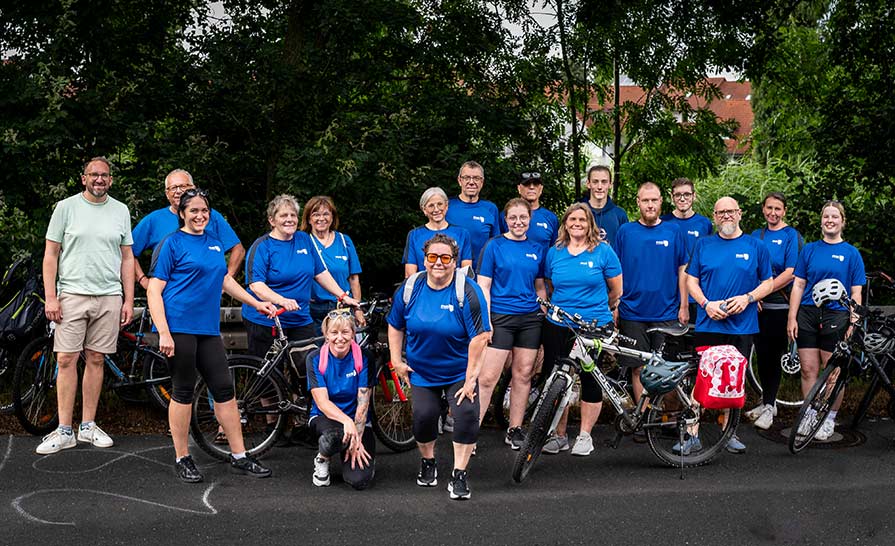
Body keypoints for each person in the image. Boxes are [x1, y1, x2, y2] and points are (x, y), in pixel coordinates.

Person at [147, 188, 276, 482]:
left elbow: (224, 281)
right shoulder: (172, 244)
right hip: (179, 328)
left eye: (204, 210)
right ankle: (183, 457)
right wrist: (164, 332)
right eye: (193, 210)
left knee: (224, 390)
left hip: (207, 329)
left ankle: (240, 455)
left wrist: (257, 303)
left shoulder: (215, 244)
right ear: (182, 213)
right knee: (182, 392)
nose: (200, 216)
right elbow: (154, 290)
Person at [37, 156, 135, 455]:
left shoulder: (120, 210)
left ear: (111, 180)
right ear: (83, 178)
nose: (99, 180)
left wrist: (128, 299)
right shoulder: (65, 208)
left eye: (104, 175)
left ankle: (88, 426)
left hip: (108, 296)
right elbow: (51, 254)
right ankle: (64, 429)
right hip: (72, 294)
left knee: (96, 359)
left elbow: (128, 257)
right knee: (66, 359)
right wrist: (51, 296)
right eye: (93, 175)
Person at [387, 234, 491, 500]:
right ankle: (428, 461)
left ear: (454, 261)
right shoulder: (410, 287)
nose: (438, 263)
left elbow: (480, 338)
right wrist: (397, 361)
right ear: (425, 259)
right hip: (422, 371)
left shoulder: (468, 291)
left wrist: (470, 380)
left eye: (445, 258)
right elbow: (395, 325)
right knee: (423, 417)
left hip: (459, 370)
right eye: (433, 257)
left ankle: (459, 474)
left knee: (467, 413)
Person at [685, 196, 774, 454]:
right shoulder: (703, 245)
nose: (726, 216)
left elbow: (767, 282)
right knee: (702, 378)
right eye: (721, 212)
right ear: (714, 216)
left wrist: (748, 298)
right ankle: (692, 433)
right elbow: (691, 281)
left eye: (731, 211)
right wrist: (705, 304)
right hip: (708, 323)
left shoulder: (756, 247)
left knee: (733, 382)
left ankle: (729, 433)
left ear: (740, 214)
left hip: (742, 327)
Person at [541, 203, 623, 457]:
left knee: (590, 378)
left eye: (582, 220)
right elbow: (550, 285)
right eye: (572, 219)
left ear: (590, 224)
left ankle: (585, 436)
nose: (577, 223)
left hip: (593, 325)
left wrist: (598, 311)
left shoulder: (603, 251)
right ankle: (559, 435)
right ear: (565, 223)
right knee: (557, 379)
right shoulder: (554, 253)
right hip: (559, 324)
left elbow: (617, 291)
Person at [243, 195, 360, 360]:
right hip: (267, 320)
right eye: (283, 216)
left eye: (292, 215)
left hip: (300, 318)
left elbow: (320, 273)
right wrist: (282, 300)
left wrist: (342, 296)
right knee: (269, 375)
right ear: (272, 220)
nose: (289, 219)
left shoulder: (304, 239)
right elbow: (256, 285)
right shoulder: (262, 246)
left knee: (308, 367)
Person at [787, 200, 865, 441]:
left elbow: (856, 291)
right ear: (821, 221)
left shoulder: (851, 253)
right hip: (809, 313)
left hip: (837, 315)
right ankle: (810, 415)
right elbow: (799, 284)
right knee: (809, 369)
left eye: (835, 217)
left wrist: (853, 321)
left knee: (833, 372)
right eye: (826, 217)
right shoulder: (809, 250)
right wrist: (792, 317)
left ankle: (828, 417)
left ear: (842, 221)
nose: (830, 220)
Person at [476, 198, 547, 450]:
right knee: (487, 378)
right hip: (500, 318)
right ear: (506, 220)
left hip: (529, 319)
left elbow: (539, 287)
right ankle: (471, 433)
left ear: (530, 219)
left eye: (523, 217)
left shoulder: (537, 248)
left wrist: (544, 312)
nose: (518, 222)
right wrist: (486, 321)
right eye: (513, 217)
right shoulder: (494, 246)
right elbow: (483, 286)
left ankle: (514, 429)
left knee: (523, 374)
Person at [615, 182, 689, 405]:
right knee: (638, 369)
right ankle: (643, 418)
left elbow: (683, 268)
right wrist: (615, 304)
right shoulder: (626, 231)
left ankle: (665, 419)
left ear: (661, 201)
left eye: (654, 200)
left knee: (666, 370)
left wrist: (684, 305)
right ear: (638, 202)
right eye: (645, 200)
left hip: (666, 311)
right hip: (632, 312)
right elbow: (615, 271)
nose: (650, 205)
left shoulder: (673, 231)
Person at [132, 169, 244, 292]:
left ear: (194, 188)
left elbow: (238, 249)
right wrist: (143, 280)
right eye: (173, 188)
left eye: (183, 186)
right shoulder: (153, 220)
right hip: (168, 296)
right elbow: (128, 253)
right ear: (166, 193)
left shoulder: (209, 215)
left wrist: (225, 283)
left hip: (205, 295)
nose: (178, 191)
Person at [746, 192, 803, 430]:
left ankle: (770, 407)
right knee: (762, 357)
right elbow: (747, 267)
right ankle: (766, 401)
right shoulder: (756, 235)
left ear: (785, 211)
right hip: (758, 307)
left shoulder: (792, 236)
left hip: (780, 306)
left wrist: (763, 289)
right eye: (769, 208)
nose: (773, 213)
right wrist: (753, 293)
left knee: (774, 357)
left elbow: (791, 271)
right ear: (763, 210)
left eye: (777, 209)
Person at [306, 309, 375, 490]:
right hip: (325, 418)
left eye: (345, 332)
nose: (340, 338)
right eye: (334, 333)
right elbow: (322, 402)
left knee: (359, 480)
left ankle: (353, 452)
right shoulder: (315, 358)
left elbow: (363, 402)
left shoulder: (364, 357)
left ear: (353, 333)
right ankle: (322, 458)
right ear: (326, 335)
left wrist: (357, 439)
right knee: (332, 437)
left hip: (358, 422)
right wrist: (346, 421)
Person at [299, 196, 365, 335]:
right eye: (316, 214)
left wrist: (358, 309)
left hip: (342, 308)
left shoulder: (344, 240)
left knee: (341, 349)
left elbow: (354, 279)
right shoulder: (303, 242)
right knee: (315, 352)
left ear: (332, 217)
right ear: (308, 219)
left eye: (326, 214)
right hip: (313, 309)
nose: (321, 218)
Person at [659, 177, 713, 319]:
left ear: (694, 196)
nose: (682, 199)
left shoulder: (704, 223)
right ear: (672, 197)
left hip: (697, 293)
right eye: (678, 195)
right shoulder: (663, 222)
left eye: (687, 194)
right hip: (669, 292)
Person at [402, 187, 473, 277]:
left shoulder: (462, 234)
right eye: (431, 206)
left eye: (440, 204)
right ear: (424, 210)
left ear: (446, 206)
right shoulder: (414, 235)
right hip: (423, 288)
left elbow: (466, 272)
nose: (436, 209)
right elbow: (410, 274)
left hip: (454, 288)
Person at [445, 161, 504, 268]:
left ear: (482, 182)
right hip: (450, 272)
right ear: (459, 180)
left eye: (476, 178)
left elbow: (496, 245)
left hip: (481, 273)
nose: (471, 182)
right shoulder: (446, 206)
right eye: (467, 178)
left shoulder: (490, 209)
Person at [581, 165, 628, 249]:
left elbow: (625, 247)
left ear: (610, 184)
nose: (599, 187)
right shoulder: (578, 213)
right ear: (588, 184)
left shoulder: (620, 215)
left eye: (604, 182)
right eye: (595, 182)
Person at [517, 171, 559, 251]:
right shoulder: (507, 216)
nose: (531, 187)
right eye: (527, 184)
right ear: (519, 188)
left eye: (535, 184)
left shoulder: (551, 218)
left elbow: (555, 251)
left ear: (541, 189)